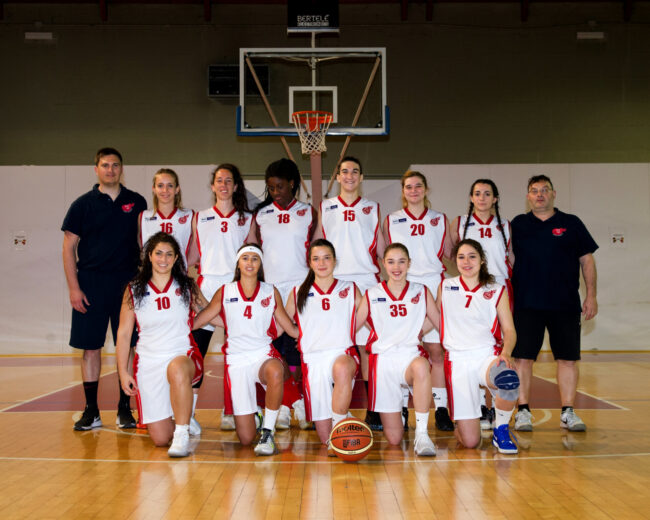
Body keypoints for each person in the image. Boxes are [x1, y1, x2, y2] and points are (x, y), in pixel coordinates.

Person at [62, 147, 147, 431]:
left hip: (127, 285)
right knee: (90, 349)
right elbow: (68, 248)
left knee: (130, 346)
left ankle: (125, 409)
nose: (110, 170)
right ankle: (91, 411)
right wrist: (74, 288)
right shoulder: (82, 204)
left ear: (122, 169)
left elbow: (142, 243)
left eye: (115, 165)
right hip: (91, 284)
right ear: (96, 169)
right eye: (105, 165)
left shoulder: (136, 202)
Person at [193, 244, 300, 456]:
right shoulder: (225, 291)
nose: (249, 263)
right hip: (237, 361)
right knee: (245, 438)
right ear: (238, 263)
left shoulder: (270, 291)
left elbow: (291, 329)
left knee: (276, 370)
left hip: (262, 354)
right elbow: (200, 320)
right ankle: (257, 418)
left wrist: (317, 330)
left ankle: (268, 433)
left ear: (260, 264)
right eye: (245, 258)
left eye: (254, 259)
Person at [511, 175, 598, 432]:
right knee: (523, 359)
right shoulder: (518, 224)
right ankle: (523, 411)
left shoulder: (571, 223)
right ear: (528, 196)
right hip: (527, 304)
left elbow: (587, 261)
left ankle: (568, 412)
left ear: (554, 194)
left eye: (544, 190)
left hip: (565, 304)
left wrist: (591, 295)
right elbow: (507, 258)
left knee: (567, 359)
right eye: (534, 191)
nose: (540, 194)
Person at [116, 233, 204, 457]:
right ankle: (182, 417)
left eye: (169, 254)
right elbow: (124, 334)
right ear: (149, 256)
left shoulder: (186, 286)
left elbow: (210, 312)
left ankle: (182, 431)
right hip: (148, 362)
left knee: (176, 368)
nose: (163, 259)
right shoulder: (134, 289)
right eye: (158, 253)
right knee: (160, 439)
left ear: (176, 259)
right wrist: (123, 373)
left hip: (182, 354)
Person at [316, 156, 386, 431]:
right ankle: (332, 410)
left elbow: (381, 248)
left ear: (361, 177)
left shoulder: (372, 208)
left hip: (366, 281)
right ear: (337, 176)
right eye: (344, 171)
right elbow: (317, 244)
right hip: (334, 283)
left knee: (368, 348)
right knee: (335, 345)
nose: (349, 176)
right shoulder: (326, 207)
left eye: (354, 171)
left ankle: (374, 410)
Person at [248, 158, 316, 430]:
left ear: (292, 183)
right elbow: (253, 252)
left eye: (280, 187)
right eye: (271, 188)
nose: (276, 192)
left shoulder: (309, 212)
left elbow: (316, 249)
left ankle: (299, 403)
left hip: (301, 289)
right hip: (272, 290)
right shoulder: (261, 215)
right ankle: (288, 404)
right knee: (275, 349)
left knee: (298, 351)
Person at [383, 170, 454, 432]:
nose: (413, 191)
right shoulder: (391, 220)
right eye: (409, 187)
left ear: (426, 190)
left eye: (418, 186)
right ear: (403, 191)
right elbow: (388, 257)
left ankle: (442, 409)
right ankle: (401, 407)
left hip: (434, 286)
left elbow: (450, 255)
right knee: (402, 349)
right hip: (404, 288)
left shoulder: (440, 219)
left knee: (436, 351)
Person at [355, 243, 440, 456]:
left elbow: (440, 320)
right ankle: (398, 413)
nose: (396, 267)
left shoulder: (420, 290)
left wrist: (420, 331)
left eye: (402, 261)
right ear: (383, 264)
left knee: (422, 366)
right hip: (382, 362)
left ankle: (422, 434)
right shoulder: (372, 293)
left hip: (410, 357)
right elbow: (351, 326)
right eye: (391, 261)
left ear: (409, 264)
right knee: (393, 440)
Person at [438, 239, 520, 454]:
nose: (466, 262)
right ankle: (464, 425)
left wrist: (506, 353)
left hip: (486, 356)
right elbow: (431, 318)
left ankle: (501, 429)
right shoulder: (446, 286)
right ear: (455, 261)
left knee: (509, 378)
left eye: (472, 256)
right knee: (471, 442)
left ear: (482, 260)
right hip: (457, 361)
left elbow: (509, 331)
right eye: (461, 257)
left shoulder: (496, 289)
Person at [191, 164, 253, 432]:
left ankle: (231, 411)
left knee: (236, 359)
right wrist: (192, 292)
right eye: (219, 180)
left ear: (236, 186)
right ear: (213, 185)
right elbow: (190, 258)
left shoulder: (247, 219)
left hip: (235, 293)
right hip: (205, 292)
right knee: (195, 354)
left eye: (229, 180)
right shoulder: (200, 217)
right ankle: (187, 414)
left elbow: (253, 259)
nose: (224, 184)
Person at [284, 239, 361, 446]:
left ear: (335, 261)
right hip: (312, 359)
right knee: (326, 439)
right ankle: (341, 421)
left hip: (342, 353)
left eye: (327, 258)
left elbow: (369, 316)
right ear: (309, 263)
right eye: (316, 259)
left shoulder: (350, 289)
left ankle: (341, 425)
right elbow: (280, 323)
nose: (322, 263)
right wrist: (296, 333)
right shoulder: (298, 292)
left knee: (343, 367)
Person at [451, 179, 514, 431]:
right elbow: (451, 253)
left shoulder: (505, 226)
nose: (482, 198)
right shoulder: (460, 223)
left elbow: (510, 257)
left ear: (495, 199)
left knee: (496, 347)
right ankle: (477, 406)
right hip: (472, 287)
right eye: (477, 193)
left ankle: (494, 408)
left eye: (487, 194)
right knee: (473, 343)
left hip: (496, 289)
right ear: (471, 197)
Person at [139, 168, 194, 267]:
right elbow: (141, 253)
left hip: (178, 278)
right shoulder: (144, 217)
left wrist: (181, 265)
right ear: (154, 189)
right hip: (151, 278)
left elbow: (195, 252)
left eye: (170, 185)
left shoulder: (190, 216)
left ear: (177, 189)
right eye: (160, 186)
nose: (165, 190)